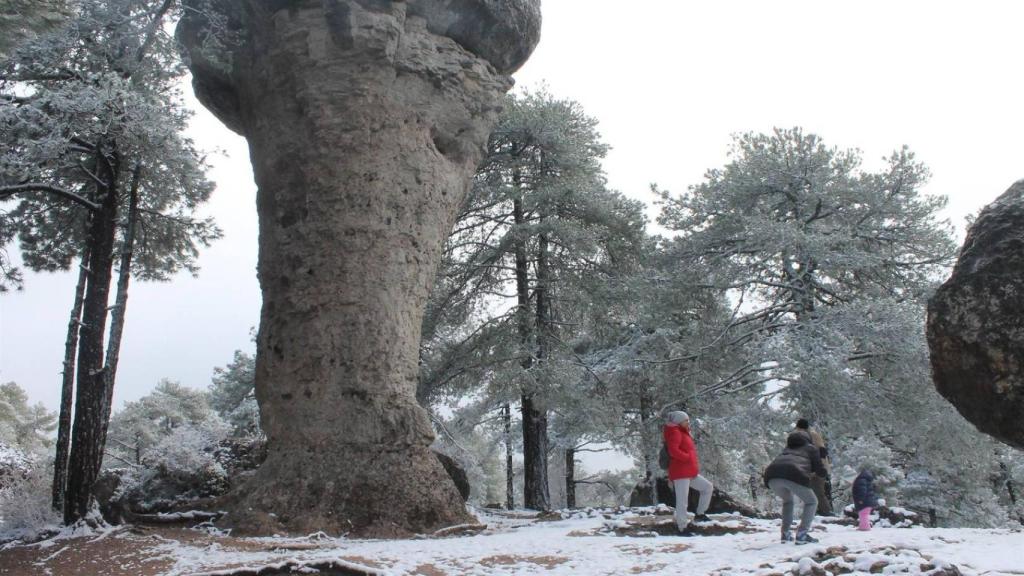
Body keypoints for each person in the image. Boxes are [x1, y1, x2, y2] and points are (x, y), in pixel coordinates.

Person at [764, 431, 827, 544]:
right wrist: (822, 458)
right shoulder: (811, 448)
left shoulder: (786, 449)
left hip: (771, 476)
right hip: (794, 473)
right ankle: (802, 534)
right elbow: (820, 471)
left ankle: (785, 533)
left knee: (788, 501)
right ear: (807, 439)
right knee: (812, 502)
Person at [663, 410, 713, 534]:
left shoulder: (683, 432)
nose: (688, 422)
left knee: (707, 487)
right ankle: (682, 527)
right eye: (685, 420)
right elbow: (673, 450)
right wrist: (686, 457)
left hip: (689, 471)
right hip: (680, 472)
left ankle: (700, 514)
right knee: (682, 501)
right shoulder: (675, 432)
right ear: (679, 421)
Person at [794, 418, 834, 516]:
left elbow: (821, 452)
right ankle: (818, 512)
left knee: (818, 491)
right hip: (814, 468)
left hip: (817, 469)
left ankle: (826, 512)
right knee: (813, 491)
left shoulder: (811, 435)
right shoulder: (809, 435)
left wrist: (817, 469)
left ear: (799, 427)